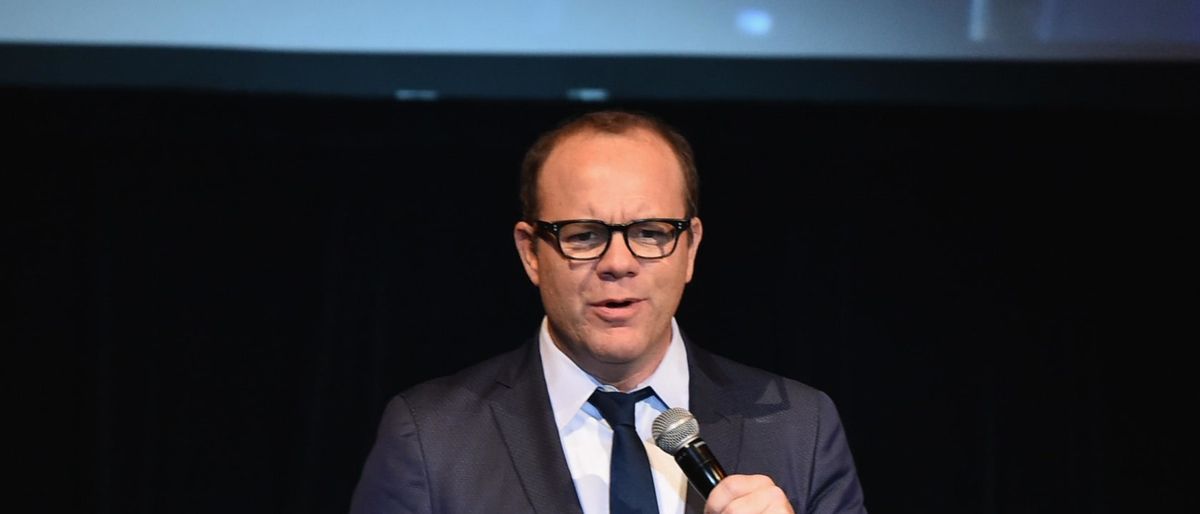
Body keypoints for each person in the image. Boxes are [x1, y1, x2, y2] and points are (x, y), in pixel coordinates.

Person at [349, 111, 866, 514]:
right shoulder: (432, 436)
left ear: (690, 248)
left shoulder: (799, 427)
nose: (618, 263)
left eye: (650, 232)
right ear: (531, 253)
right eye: (583, 236)